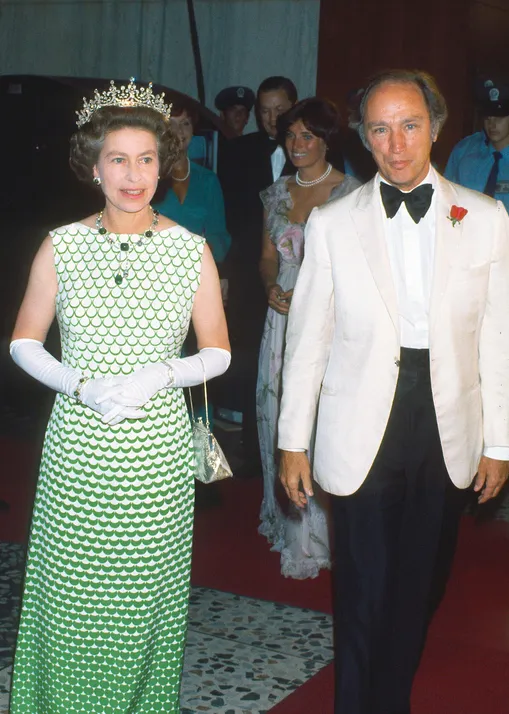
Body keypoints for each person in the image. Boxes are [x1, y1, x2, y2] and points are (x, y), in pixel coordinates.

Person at [278, 69, 509, 714]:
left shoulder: (486, 217)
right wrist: (292, 442)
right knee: (363, 586)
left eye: (410, 125)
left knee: (422, 584)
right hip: (361, 419)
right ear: (363, 139)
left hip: (447, 421)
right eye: (380, 128)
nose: (397, 142)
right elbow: (308, 342)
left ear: (435, 127)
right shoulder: (332, 223)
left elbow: (499, 337)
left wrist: (500, 439)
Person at [8, 78, 230, 714]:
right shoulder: (62, 244)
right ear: (93, 165)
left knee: (139, 600)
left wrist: (157, 375)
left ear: (164, 163)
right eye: (118, 159)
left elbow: (218, 351)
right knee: (72, 594)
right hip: (78, 444)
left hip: (155, 450)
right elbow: (25, 343)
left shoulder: (191, 251)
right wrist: (79, 383)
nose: (134, 176)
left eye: (147, 159)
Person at [256, 98, 360, 578]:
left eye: (307, 136)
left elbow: (359, 271)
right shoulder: (276, 193)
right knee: (278, 416)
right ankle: (289, 525)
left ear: (326, 140)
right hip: (280, 322)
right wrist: (273, 287)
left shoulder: (351, 194)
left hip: (329, 324)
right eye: (290, 136)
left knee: (318, 423)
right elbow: (266, 257)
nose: (297, 145)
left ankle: (321, 536)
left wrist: (309, 296)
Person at [218, 76, 297, 476]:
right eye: (264, 111)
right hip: (252, 273)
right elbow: (228, 216)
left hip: (300, 272)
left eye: (279, 111)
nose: (270, 119)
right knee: (252, 361)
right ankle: (252, 452)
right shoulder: (238, 152)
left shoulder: (310, 150)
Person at [154, 102, 231, 268]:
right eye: (171, 124)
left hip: (197, 272)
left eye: (185, 124)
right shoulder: (147, 177)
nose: (179, 131)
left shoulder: (207, 179)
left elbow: (219, 237)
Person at [444, 77, 509, 213]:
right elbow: (445, 197)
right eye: (487, 117)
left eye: (500, 117)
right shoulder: (464, 151)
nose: (492, 124)